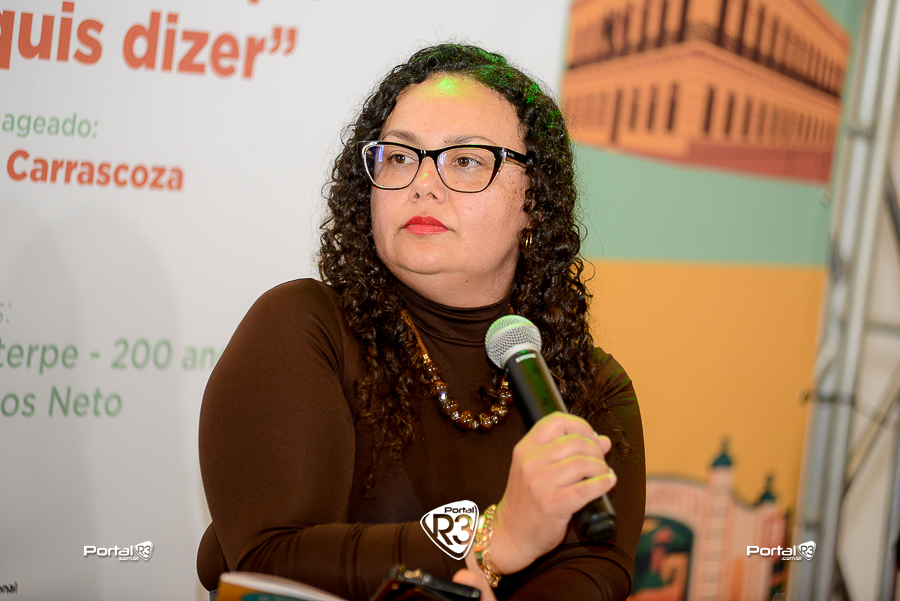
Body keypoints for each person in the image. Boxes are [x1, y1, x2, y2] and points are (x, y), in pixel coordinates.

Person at [197, 43, 645, 601]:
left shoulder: (591, 387)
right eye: (400, 156)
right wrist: (495, 539)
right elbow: (270, 561)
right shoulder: (305, 327)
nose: (422, 184)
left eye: (466, 160)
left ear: (535, 202)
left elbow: (595, 573)